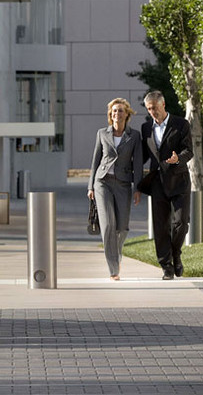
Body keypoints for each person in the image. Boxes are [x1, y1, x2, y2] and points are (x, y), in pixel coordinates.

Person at [139, 90, 193, 280]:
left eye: (154, 108)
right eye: (148, 109)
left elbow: (189, 150)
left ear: (163, 105)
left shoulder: (181, 124)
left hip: (179, 181)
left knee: (181, 223)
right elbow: (143, 156)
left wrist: (179, 158)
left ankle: (176, 253)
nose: (152, 112)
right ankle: (167, 266)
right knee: (161, 227)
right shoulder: (146, 128)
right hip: (158, 183)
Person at [88, 98, 143, 281]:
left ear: (126, 114)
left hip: (124, 184)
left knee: (122, 227)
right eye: (113, 111)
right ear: (110, 115)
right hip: (102, 182)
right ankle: (113, 269)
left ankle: (116, 255)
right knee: (108, 225)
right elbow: (95, 161)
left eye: (120, 111)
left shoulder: (134, 136)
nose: (116, 114)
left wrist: (138, 188)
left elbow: (138, 164)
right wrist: (90, 186)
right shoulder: (102, 133)